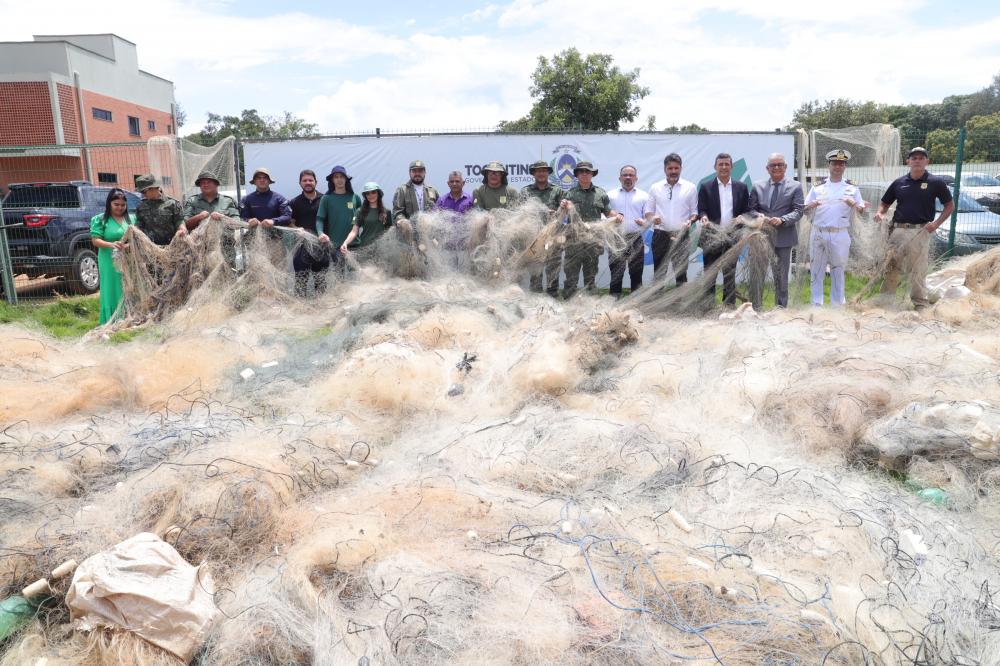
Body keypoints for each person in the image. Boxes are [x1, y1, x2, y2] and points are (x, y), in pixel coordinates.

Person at [874, 146, 954, 309]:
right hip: (897, 231)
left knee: (917, 270)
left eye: (921, 158)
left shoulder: (935, 182)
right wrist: (880, 213)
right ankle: (885, 301)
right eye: (914, 158)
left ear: (927, 161)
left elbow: (949, 206)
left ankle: (919, 303)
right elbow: (884, 203)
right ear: (908, 161)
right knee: (891, 267)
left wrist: (936, 223)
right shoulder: (899, 183)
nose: (917, 160)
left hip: (920, 232)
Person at [804, 149, 866, 306]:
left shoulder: (852, 187)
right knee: (816, 270)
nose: (838, 167)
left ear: (845, 167)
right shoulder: (817, 187)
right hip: (818, 231)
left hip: (840, 233)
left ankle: (837, 305)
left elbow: (861, 209)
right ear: (828, 166)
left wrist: (855, 204)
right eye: (835, 164)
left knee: (838, 269)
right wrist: (811, 205)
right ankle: (816, 305)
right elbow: (805, 208)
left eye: (841, 164)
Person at [748, 153, 804, 309]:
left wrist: (783, 220)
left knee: (781, 278)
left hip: (784, 238)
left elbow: (799, 210)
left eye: (780, 164)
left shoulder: (795, 186)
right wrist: (759, 216)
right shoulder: (757, 186)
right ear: (767, 168)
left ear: (786, 167)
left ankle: (780, 310)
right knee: (757, 276)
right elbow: (751, 210)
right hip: (761, 238)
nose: (777, 167)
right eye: (773, 165)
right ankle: (756, 309)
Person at [697, 153, 751, 307]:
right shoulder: (706, 186)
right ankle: (707, 308)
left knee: (729, 274)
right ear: (715, 167)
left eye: (727, 164)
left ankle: (729, 307)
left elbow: (747, 210)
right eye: (721, 164)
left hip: (732, 238)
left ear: (732, 167)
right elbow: (701, 209)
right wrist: (703, 217)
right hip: (711, 238)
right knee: (709, 275)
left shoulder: (741, 187)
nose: (724, 167)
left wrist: (742, 217)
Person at [563, 161, 618, 299]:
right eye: (581, 171)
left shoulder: (600, 193)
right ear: (577, 175)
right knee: (571, 278)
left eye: (587, 171)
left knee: (590, 277)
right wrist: (563, 206)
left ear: (592, 174)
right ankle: (569, 305)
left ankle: (590, 306)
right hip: (573, 242)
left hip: (593, 243)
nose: (585, 174)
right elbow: (562, 214)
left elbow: (608, 212)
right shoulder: (569, 193)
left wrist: (618, 215)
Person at [645, 153, 698, 286]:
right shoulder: (655, 187)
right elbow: (648, 212)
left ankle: (678, 304)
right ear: (665, 169)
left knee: (681, 272)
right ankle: (657, 304)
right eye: (670, 168)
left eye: (676, 168)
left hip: (681, 235)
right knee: (659, 272)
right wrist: (653, 218)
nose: (673, 171)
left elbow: (694, 213)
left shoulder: (690, 187)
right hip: (660, 235)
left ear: (681, 168)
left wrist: (690, 221)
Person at [90, 188, 135, 325]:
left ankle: (129, 316)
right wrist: (111, 245)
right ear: (109, 203)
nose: (120, 208)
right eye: (116, 204)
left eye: (123, 205)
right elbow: (95, 240)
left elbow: (137, 238)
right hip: (108, 260)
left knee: (127, 285)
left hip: (128, 258)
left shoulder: (132, 218)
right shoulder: (99, 219)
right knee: (111, 287)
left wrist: (128, 246)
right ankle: (112, 319)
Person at [521, 159, 564, 296]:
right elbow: (520, 212)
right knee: (535, 271)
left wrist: (558, 211)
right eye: (538, 171)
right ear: (533, 173)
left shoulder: (557, 191)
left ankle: (552, 298)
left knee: (553, 269)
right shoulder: (526, 191)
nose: (541, 173)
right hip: (533, 238)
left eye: (544, 171)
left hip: (553, 237)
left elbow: (564, 213)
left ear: (548, 173)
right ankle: (535, 298)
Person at [607, 165, 649, 297]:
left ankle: (636, 300)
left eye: (631, 175)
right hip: (616, 238)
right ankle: (614, 299)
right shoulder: (610, 195)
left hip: (636, 238)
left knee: (636, 271)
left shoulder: (644, 196)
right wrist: (612, 219)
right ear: (620, 178)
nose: (628, 178)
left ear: (636, 178)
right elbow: (603, 215)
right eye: (625, 175)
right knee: (615, 270)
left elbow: (649, 218)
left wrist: (644, 223)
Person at [288, 169, 329, 297]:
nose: (308, 183)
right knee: (301, 280)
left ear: (316, 182)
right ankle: (300, 308)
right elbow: (290, 222)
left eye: (310, 180)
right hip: (301, 247)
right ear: (300, 183)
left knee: (320, 280)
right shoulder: (294, 202)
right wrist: (296, 228)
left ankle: (321, 306)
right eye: (304, 180)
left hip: (321, 246)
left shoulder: (325, 200)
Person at [316, 166, 363, 269]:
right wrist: (320, 233)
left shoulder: (355, 197)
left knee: (355, 279)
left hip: (354, 245)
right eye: (336, 177)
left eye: (342, 176)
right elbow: (319, 219)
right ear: (332, 180)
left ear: (346, 179)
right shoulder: (326, 198)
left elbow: (362, 218)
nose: (339, 179)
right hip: (335, 246)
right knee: (339, 279)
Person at [341, 182, 393, 254]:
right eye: (367, 193)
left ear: (378, 193)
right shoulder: (360, 211)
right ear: (365, 196)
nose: (370, 195)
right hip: (365, 249)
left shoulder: (387, 212)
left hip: (382, 250)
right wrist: (345, 243)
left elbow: (390, 231)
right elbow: (354, 231)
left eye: (373, 192)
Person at [134, 174, 185, 246]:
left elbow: (179, 221)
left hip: (172, 246)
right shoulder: (141, 206)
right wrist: (134, 230)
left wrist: (182, 229)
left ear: (153, 188)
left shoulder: (172, 203)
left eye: (144, 192)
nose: (143, 195)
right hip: (150, 248)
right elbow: (139, 224)